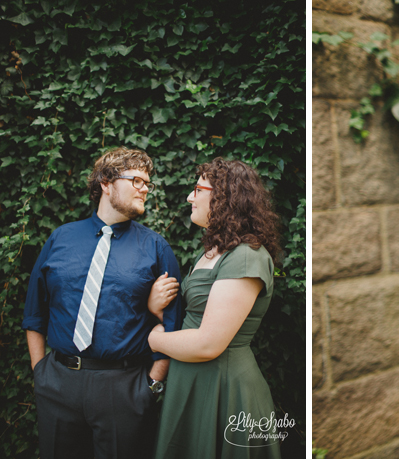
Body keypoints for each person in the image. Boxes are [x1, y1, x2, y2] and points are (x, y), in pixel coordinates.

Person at [22, 147, 184, 459]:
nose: (145, 188)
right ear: (106, 183)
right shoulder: (60, 239)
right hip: (57, 383)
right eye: (137, 180)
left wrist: (152, 385)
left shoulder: (156, 248)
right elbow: (34, 314)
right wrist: (40, 373)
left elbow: (173, 326)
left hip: (124, 389)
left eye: (147, 183)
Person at [147, 157, 283, 458]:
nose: (189, 197)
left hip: (224, 390)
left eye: (198, 189)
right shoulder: (214, 251)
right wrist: (155, 306)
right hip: (192, 383)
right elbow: (193, 318)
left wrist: (153, 339)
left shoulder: (247, 256)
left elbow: (209, 342)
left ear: (223, 196)